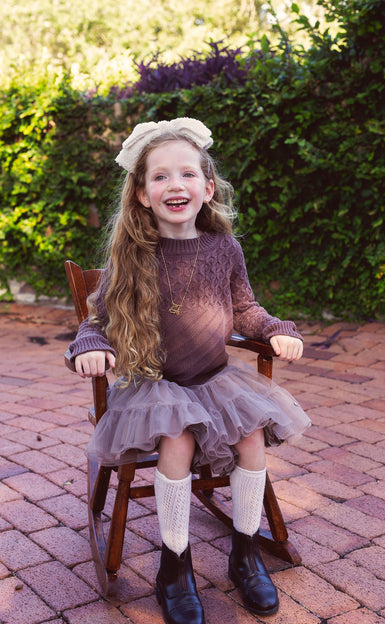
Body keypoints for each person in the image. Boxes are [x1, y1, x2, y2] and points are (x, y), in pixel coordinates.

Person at [68, 117, 310, 624]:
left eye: (187, 174)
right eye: (160, 176)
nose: (174, 184)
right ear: (141, 194)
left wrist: (275, 329)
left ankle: (245, 554)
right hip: (155, 386)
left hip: (215, 381)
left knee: (250, 437)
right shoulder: (132, 254)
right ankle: (174, 567)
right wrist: (89, 345)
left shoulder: (225, 248)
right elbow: (98, 320)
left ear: (208, 187)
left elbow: (245, 309)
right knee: (176, 439)